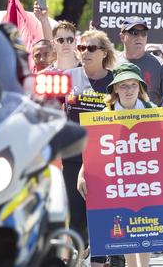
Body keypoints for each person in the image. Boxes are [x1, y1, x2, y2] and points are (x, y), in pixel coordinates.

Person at [77, 62, 163, 267]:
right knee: (126, 234)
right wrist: (82, 173)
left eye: (133, 85)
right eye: (123, 85)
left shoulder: (154, 111)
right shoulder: (104, 115)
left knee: (144, 231)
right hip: (117, 181)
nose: (129, 90)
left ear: (140, 87)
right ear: (115, 89)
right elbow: (92, 153)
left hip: (146, 181)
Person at [62, 30, 116, 266]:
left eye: (91, 48)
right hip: (73, 158)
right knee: (75, 220)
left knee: (102, 218)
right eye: (82, 48)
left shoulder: (115, 82)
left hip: (104, 159)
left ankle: (100, 261)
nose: (85, 52)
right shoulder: (66, 78)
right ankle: (76, 259)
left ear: (104, 53)